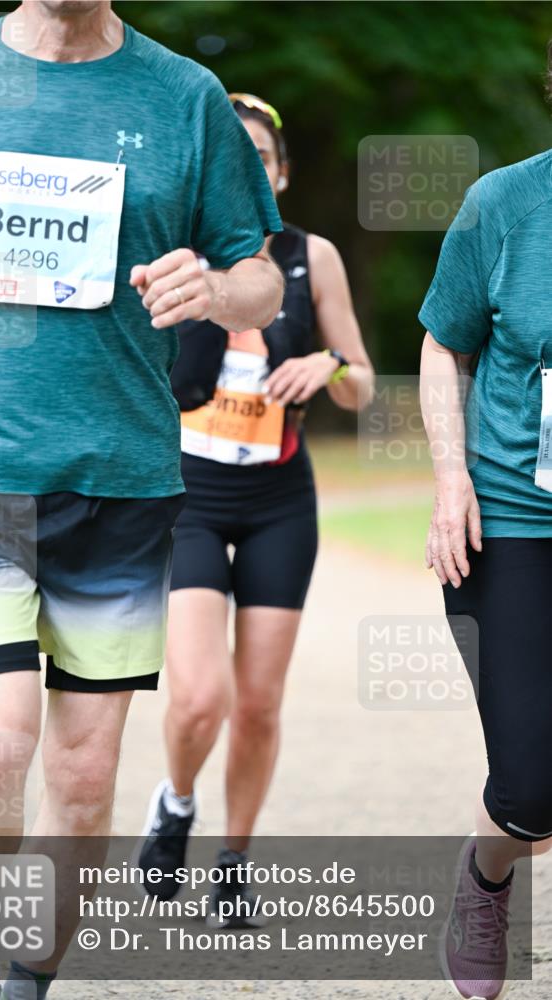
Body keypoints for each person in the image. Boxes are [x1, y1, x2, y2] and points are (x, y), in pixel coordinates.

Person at [0, 2, 284, 997]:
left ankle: (27, 980)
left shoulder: (184, 99)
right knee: (0, 733)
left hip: (119, 473)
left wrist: (217, 291)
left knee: (82, 772)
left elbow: (259, 279)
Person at [137, 93, 374, 924]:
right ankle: (174, 801)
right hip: (190, 496)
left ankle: (234, 860)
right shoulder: (177, 257)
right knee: (201, 696)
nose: (249, 175)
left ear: (279, 174)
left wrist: (331, 368)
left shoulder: (315, 257)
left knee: (261, 701)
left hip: (279, 499)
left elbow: (362, 378)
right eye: (230, 162)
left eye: (261, 162)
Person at [419, 123, 551, 1000]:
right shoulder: (503, 202)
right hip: (512, 521)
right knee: (535, 788)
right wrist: (448, 477)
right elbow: (443, 344)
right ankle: (488, 872)